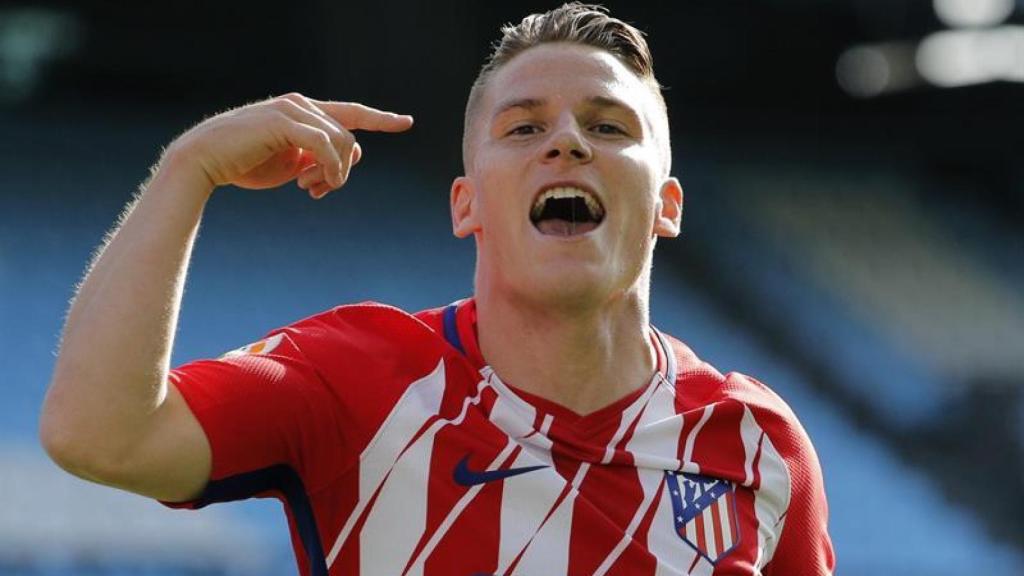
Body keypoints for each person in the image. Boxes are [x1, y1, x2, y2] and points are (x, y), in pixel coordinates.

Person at [40, 3, 834, 575]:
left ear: (666, 205)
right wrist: (192, 167)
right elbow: (97, 435)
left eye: (609, 126)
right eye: (524, 128)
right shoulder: (356, 379)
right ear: (467, 205)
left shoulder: (758, 444)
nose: (566, 141)